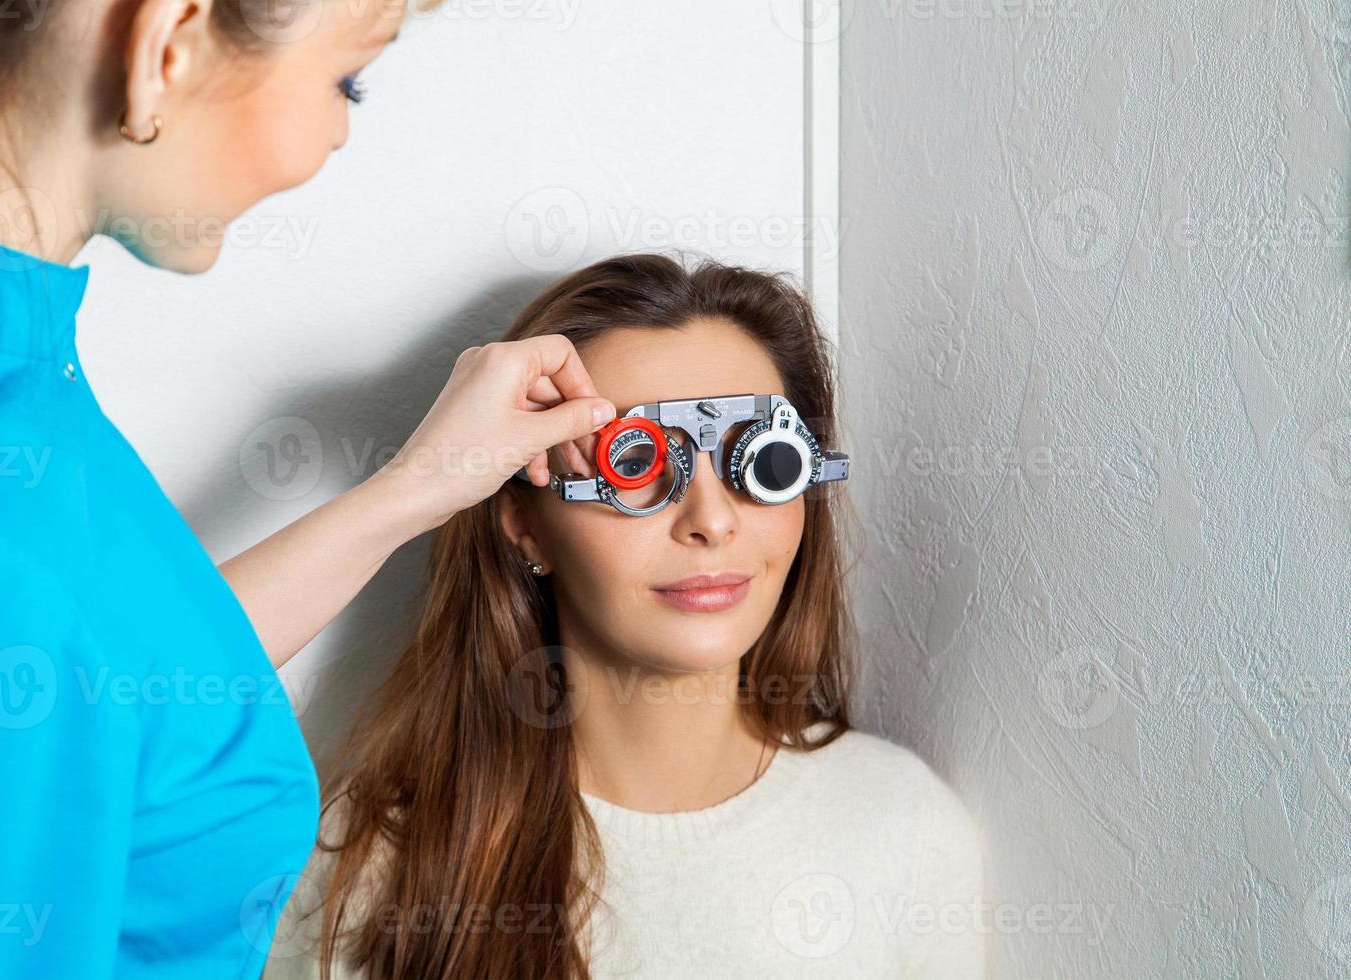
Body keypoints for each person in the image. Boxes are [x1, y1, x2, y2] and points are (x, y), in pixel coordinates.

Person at [0, 0, 616, 975]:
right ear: (166, 44)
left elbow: (115, 678)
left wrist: (413, 487)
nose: (339, 131)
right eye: (343, 80)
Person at [266, 254, 989, 979]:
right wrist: (415, 485)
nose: (711, 521)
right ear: (525, 522)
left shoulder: (904, 829)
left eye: (762, 465)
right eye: (636, 465)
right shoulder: (373, 864)